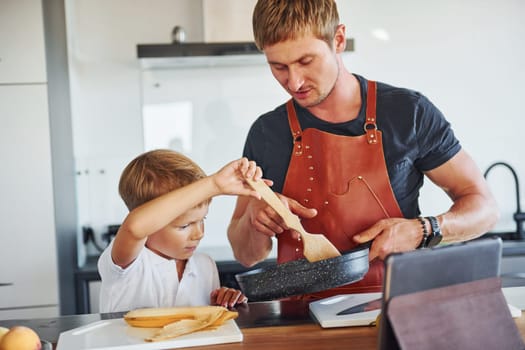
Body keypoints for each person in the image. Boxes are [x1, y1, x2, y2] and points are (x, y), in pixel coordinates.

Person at [227, 0, 499, 298]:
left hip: (397, 308)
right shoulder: (267, 132)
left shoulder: (408, 112)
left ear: (339, 39)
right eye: (278, 67)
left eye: (306, 61)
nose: (294, 81)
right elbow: (246, 254)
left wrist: (424, 229)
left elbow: (484, 208)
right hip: (303, 322)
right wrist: (255, 219)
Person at [98, 149, 263, 313]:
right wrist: (214, 185)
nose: (199, 234)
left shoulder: (205, 265)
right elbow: (135, 227)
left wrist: (223, 303)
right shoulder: (126, 264)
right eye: (184, 226)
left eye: (201, 220)